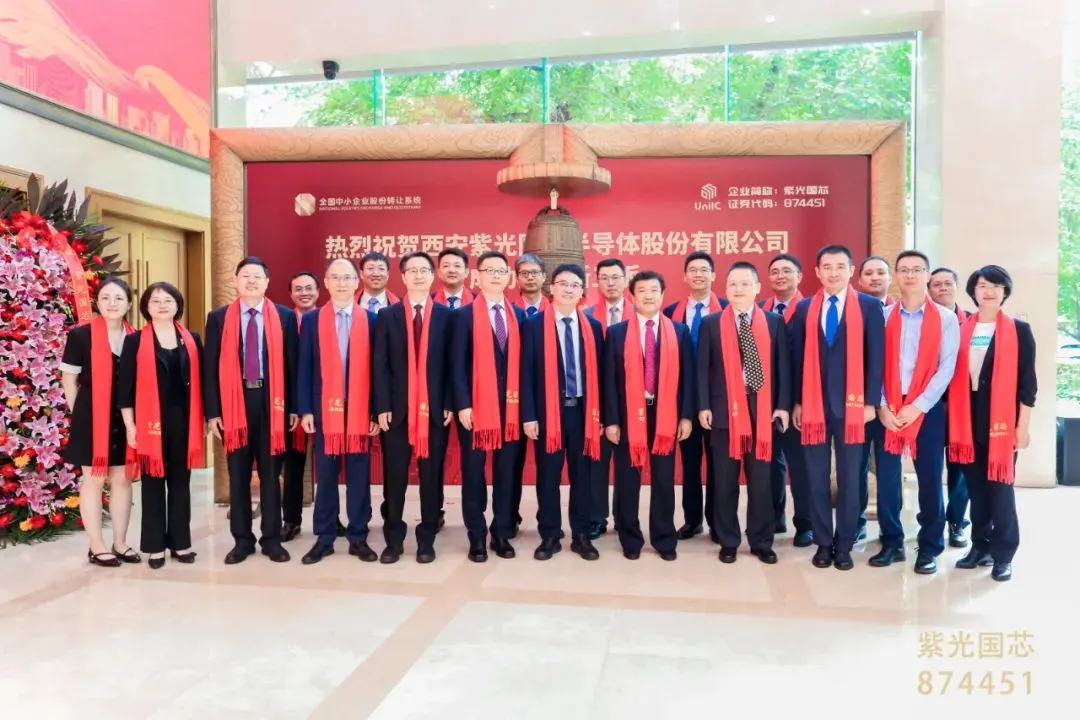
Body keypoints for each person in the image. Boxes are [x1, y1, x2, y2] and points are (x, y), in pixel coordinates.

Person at [790, 244, 885, 571]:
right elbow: (796, 359)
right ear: (817, 272)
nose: (833, 273)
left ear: (851, 270)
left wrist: (871, 402)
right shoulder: (804, 308)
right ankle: (823, 542)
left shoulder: (870, 307)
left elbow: (877, 358)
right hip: (814, 407)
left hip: (854, 408)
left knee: (851, 478)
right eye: (826, 267)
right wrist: (797, 401)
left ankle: (844, 544)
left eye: (840, 266)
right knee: (816, 478)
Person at [203, 257, 299, 565]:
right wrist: (213, 412)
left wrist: (294, 408)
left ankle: (272, 539)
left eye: (257, 276)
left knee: (271, 475)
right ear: (236, 280)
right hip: (235, 403)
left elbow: (293, 366)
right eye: (245, 275)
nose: (251, 281)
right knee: (238, 475)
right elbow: (209, 368)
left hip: (273, 402)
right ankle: (242, 541)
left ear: (267, 282)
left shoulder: (284, 316)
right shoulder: (218, 318)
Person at [871, 251, 959, 574]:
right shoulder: (882, 316)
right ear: (896, 275)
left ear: (927, 275)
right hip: (889, 406)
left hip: (927, 407)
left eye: (917, 269)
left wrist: (918, 405)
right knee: (887, 478)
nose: (910, 275)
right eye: (904, 269)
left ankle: (930, 547)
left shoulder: (946, 318)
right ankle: (892, 542)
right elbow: (874, 366)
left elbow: (946, 368)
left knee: (930, 478)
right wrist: (882, 405)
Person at [698, 262, 791, 564]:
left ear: (757, 288)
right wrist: (703, 405)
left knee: (761, 482)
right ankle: (728, 540)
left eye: (745, 283)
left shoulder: (774, 322)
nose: (738, 289)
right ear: (725, 289)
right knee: (725, 481)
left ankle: (761, 541)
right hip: (724, 413)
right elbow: (702, 369)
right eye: (733, 284)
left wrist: (782, 406)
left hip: (762, 412)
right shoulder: (711, 323)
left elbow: (783, 368)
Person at [948, 265, 1035, 582]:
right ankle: (980, 547)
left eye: (996, 286)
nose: (989, 291)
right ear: (973, 291)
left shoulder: (1018, 330)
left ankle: (1003, 554)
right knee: (976, 489)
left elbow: (1028, 384)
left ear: (1005, 292)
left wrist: (1022, 426)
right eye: (983, 285)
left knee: (1000, 489)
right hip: (966, 417)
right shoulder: (961, 328)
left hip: (1002, 419)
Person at [603, 270, 695, 561]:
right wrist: (611, 420)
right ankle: (630, 539)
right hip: (628, 415)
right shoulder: (617, 333)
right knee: (627, 479)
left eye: (654, 290)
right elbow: (609, 381)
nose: (648, 296)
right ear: (632, 296)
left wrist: (686, 416)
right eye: (641, 290)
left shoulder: (679, 331)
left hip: (666, 414)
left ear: (663, 294)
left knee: (664, 479)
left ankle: (664, 538)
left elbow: (688, 379)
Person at [297, 258, 379, 565]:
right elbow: (304, 367)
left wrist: (375, 412)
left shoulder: (371, 320)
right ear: (327, 283)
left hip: (360, 412)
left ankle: (358, 536)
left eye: (347, 277)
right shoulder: (312, 320)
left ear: (357, 282)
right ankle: (325, 537)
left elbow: (378, 372)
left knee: (359, 476)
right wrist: (305, 409)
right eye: (336, 277)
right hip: (324, 411)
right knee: (327, 476)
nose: (342, 283)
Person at [118, 282, 204, 569]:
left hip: (184, 422)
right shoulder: (134, 341)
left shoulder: (191, 339)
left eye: (168, 300)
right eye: (155, 301)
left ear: (178, 305)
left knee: (181, 484)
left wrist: (204, 419)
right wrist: (130, 426)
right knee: (153, 484)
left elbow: (202, 382)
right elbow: (125, 388)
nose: (162, 305)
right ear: (146, 307)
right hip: (148, 423)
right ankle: (155, 546)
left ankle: (181, 543)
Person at [375, 252, 453, 564]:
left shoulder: (447, 316)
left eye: (424, 270)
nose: (419, 276)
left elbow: (451, 366)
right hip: (396, 413)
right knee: (394, 480)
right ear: (403, 277)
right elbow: (379, 365)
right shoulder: (387, 315)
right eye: (412, 271)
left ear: (433, 276)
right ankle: (393, 540)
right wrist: (381, 406)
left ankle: (426, 539)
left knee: (431, 479)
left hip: (433, 412)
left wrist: (449, 403)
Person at [522, 264, 604, 561]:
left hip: (583, 413)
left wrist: (603, 417)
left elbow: (601, 375)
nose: (568, 289)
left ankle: (581, 535)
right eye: (563, 284)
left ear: (582, 291)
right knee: (548, 477)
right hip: (548, 415)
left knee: (584, 476)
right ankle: (550, 534)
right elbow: (525, 373)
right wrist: (529, 415)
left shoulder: (592, 327)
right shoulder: (534, 325)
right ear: (552, 287)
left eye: (575, 285)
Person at [452, 250, 527, 562]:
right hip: (475, 409)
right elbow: (456, 365)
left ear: (509, 277)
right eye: (489, 271)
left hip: (511, 409)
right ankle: (476, 535)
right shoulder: (463, 315)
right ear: (477, 277)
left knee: (507, 474)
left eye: (501, 271)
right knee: (474, 474)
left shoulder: (519, 316)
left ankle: (501, 532)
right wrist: (463, 404)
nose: (496, 276)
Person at [60, 277, 138, 567]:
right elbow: (69, 380)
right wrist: (80, 414)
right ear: (97, 302)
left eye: (119, 298)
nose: (112, 303)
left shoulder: (136, 338)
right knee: (92, 480)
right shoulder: (81, 336)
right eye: (105, 298)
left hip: (126, 417)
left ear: (129, 304)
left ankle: (120, 542)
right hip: (91, 417)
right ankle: (97, 544)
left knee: (122, 479)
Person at [664, 251, 726, 542]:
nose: (698, 274)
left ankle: (717, 521)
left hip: (718, 400)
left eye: (704, 270)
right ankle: (692, 521)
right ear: (685, 276)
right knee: (689, 464)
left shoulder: (727, 309)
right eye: (693, 270)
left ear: (713, 275)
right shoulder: (670, 312)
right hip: (684, 400)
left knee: (718, 465)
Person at [759, 253, 812, 546]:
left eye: (787, 271)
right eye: (775, 271)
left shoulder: (810, 309)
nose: (780, 276)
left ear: (799, 276)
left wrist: (799, 401)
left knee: (800, 467)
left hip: (799, 403)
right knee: (769, 464)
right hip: (765, 402)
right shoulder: (758, 309)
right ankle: (773, 518)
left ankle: (805, 524)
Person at [583, 258, 633, 538]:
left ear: (625, 280)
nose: (610, 283)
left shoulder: (640, 313)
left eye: (615, 277)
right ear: (597, 282)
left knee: (626, 465)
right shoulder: (587, 316)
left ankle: (624, 517)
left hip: (631, 401)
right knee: (596, 462)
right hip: (596, 401)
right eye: (604, 278)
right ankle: (596, 517)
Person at [929, 267, 971, 547]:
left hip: (962, 410)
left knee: (960, 470)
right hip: (930, 407)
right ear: (929, 290)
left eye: (948, 283)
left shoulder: (972, 323)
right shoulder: (922, 321)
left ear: (957, 287)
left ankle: (956, 523)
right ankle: (931, 523)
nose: (942, 288)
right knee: (930, 471)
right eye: (936, 284)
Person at [509, 252, 549, 535]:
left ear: (544, 277)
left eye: (535, 273)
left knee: (548, 468)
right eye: (525, 273)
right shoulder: (509, 311)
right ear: (517, 278)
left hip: (548, 401)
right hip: (513, 399)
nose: (530, 278)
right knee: (512, 464)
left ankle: (547, 520)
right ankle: (510, 517)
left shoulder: (557, 311)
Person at [856, 254, 894, 542]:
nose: (875, 277)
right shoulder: (849, 311)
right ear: (859, 280)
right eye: (868, 273)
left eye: (880, 272)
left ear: (890, 278)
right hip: (857, 405)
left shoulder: (901, 313)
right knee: (854, 469)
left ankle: (890, 531)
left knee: (889, 472)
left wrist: (883, 403)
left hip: (892, 407)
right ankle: (855, 524)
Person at [282, 271, 321, 542]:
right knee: (293, 465)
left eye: (309, 288)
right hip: (289, 406)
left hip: (323, 402)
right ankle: (291, 519)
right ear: (291, 293)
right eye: (298, 289)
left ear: (318, 291)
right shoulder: (283, 320)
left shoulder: (326, 318)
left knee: (329, 467)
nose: (304, 293)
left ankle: (331, 518)